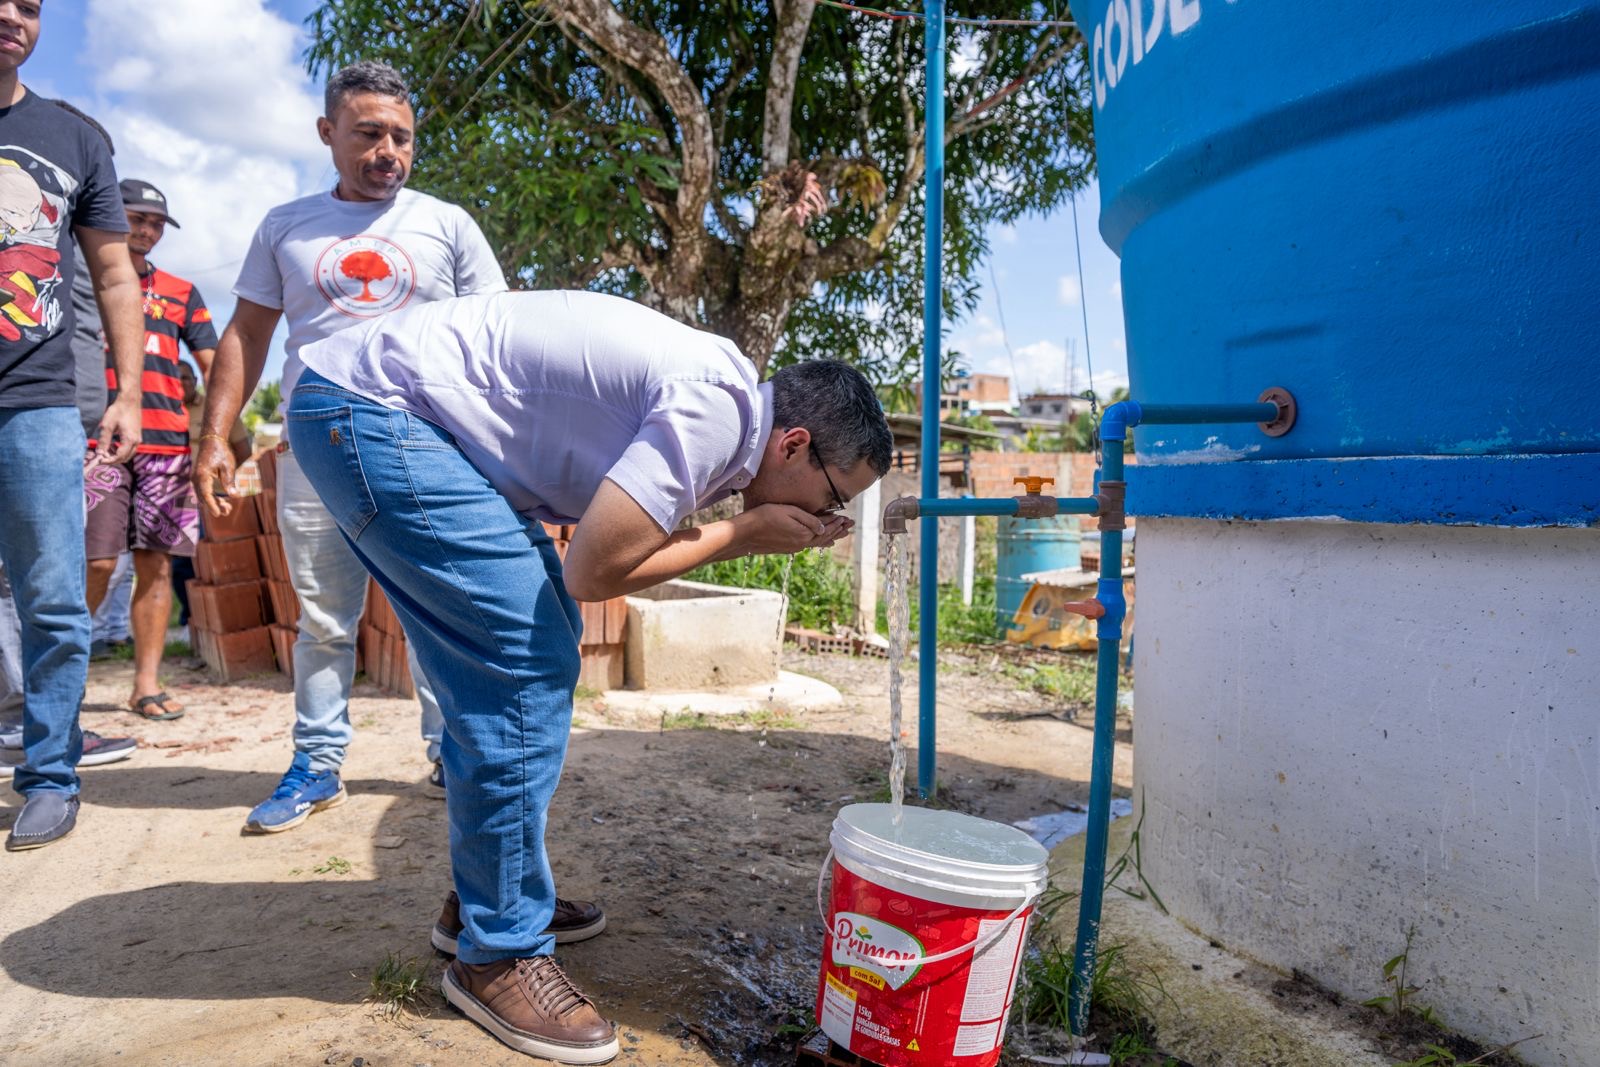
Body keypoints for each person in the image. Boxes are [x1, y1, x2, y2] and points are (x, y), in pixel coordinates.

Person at [279, 289, 890, 1063]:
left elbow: (611, 558)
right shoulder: (718, 414)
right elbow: (594, 568)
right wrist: (747, 534)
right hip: (374, 412)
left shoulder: (723, 399)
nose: (831, 518)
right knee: (526, 659)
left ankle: (483, 902)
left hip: (367, 410)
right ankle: (499, 952)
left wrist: (740, 528)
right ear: (793, 444)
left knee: (530, 646)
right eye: (836, 498)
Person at [194, 60, 506, 830]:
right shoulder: (286, 226)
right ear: (327, 132)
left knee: (436, 612)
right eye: (368, 133)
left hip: (426, 451)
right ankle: (317, 763)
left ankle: (450, 753)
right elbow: (248, 334)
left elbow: (496, 338)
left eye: (402, 137)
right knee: (326, 618)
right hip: (317, 451)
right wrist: (216, 438)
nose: (387, 152)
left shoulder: (448, 224)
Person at [0, 2, 146, 850]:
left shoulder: (72, 136)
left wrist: (126, 394)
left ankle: (51, 775)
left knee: (52, 598)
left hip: (35, 403)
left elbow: (115, 277)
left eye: (29, 3)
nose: (12, 15)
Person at [81, 179, 216, 720]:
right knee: (94, 562)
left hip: (167, 447)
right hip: (100, 442)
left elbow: (212, 361)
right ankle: (55, 678)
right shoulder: (86, 280)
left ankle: (146, 684)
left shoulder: (182, 292)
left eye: (157, 223)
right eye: (138, 218)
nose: (148, 230)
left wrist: (222, 436)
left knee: (157, 566)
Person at [170, 359, 250, 636]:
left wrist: (219, 479)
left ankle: (223, 620)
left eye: (186, 378)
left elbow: (243, 448)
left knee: (214, 555)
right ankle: (188, 618)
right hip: (175, 497)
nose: (182, 384)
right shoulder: (164, 410)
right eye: (176, 378)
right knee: (180, 561)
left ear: (195, 379)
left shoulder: (215, 409)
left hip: (211, 496)